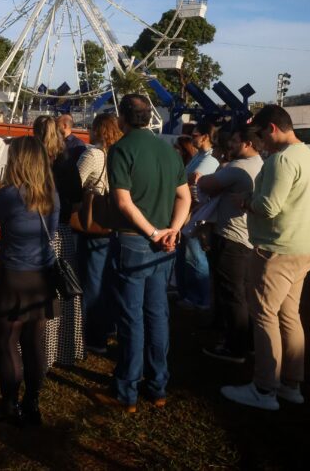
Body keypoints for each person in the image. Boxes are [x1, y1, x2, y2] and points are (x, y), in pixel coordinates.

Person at [221, 105, 310, 411]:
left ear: (273, 128)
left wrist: (246, 201)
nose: (261, 142)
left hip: (277, 249)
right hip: (305, 247)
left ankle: (264, 388)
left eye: (262, 135)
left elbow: (269, 207)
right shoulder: (308, 156)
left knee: (264, 315)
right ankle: (291, 384)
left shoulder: (282, 160)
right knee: (290, 316)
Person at [94, 94, 190, 413]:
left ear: (122, 117)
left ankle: (126, 390)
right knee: (157, 313)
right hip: (165, 245)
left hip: (136, 241)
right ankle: (158, 385)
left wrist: (151, 232)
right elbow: (184, 197)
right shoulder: (168, 150)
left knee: (131, 317)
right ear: (149, 117)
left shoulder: (121, 150)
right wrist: (173, 230)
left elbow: (123, 202)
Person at [0, 136, 60, 426]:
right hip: (42, 276)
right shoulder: (53, 194)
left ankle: (9, 404)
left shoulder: (8, 195)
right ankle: (32, 402)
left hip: (14, 274)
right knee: (34, 343)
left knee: (7, 343)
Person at [196, 125, 264, 363]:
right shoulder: (260, 165)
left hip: (231, 237)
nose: (229, 145)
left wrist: (203, 177)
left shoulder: (238, 168)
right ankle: (249, 342)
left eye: (235, 141)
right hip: (248, 237)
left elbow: (204, 184)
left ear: (247, 144)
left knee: (231, 293)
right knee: (244, 292)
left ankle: (235, 347)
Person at [32, 115, 84, 367]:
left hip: (34, 230)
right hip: (61, 232)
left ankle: (30, 346)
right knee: (62, 290)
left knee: (34, 291)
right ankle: (60, 348)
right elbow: (77, 200)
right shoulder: (67, 162)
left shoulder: (31, 162)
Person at [75, 112, 122, 354]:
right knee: (107, 279)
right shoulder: (120, 154)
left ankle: (93, 335)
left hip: (94, 222)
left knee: (92, 281)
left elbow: (75, 183)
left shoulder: (93, 154)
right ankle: (108, 325)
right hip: (114, 221)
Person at [176, 121, 220, 310]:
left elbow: (194, 183)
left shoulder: (209, 160)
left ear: (205, 137)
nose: (192, 138)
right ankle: (191, 295)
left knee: (195, 257)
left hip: (197, 213)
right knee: (189, 256)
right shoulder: (201, 156)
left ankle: (200, 299)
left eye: (195, 135)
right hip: (193, 212)